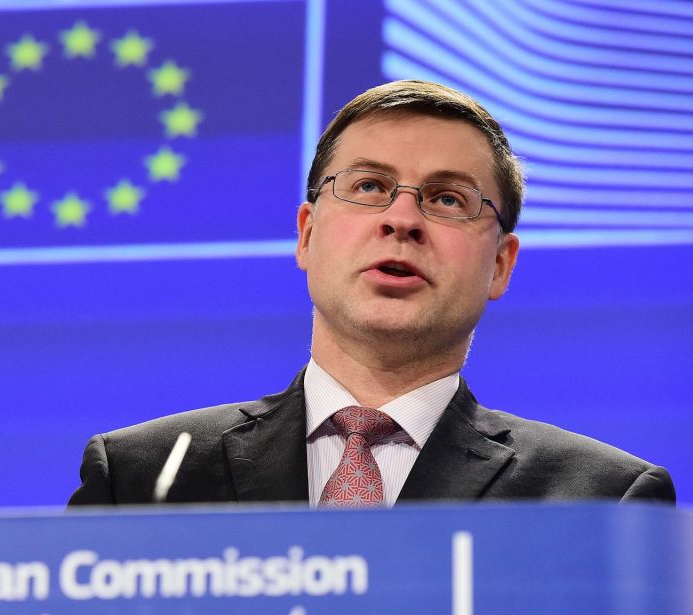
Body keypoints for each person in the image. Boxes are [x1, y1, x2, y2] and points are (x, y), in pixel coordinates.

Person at [68, 80, 675, 507]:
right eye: (369, 186)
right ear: (308, 235)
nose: (402, 219)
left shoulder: (601, 501)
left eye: (448, 199)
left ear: (500, 264)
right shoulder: (143, 481)